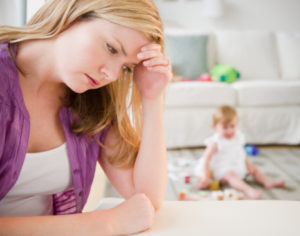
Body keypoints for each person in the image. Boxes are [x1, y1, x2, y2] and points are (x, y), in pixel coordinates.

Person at [0, 0, 171, 235]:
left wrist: (152, 99)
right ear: (74, 15)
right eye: (111, 48)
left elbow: (145, 199)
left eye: (126, 68)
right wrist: (105, 223)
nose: (111, 75)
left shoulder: (92, 101)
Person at [194, 105, 285, 200]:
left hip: (236, 164)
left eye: (232, 126)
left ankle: (267, 181)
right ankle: (248, 190)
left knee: (254, 168)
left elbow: (241, 152)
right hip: (221, 169)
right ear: (215, 127)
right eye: (225, 127)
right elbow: (206, 159)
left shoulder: (238, 137)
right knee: (231, 175)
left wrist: (248, 164)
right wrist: (206, 175)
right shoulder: (215, 142)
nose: (229, 130)